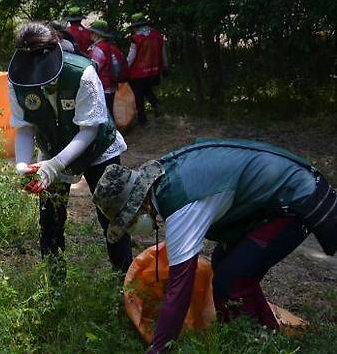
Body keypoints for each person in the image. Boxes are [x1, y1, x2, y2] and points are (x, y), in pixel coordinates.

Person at [92, 138, 337, 353]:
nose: (133, 227)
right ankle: (262, 328)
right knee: (223, 263)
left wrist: (158, 348)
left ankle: (258, 340)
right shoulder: (164, 179)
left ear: (141, 204)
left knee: (231, 282)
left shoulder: (180, 204)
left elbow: (179, 290)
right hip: (277, 197)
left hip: (295, 201)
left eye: (130, 220)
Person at [8, 22, 131, 277]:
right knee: (50, 222)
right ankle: (54, 286)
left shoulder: (82, 73)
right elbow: (25, 127)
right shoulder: (17, 81)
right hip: (52, 149)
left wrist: (55, 165)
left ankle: (125, 283)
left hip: (98, 149)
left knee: (112, 219)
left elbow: (89, 130)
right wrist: (23, 166)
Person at [126, 13, 168, 125]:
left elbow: (131, 57)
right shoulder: (158, 35)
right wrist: (165, 66)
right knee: (148, 90)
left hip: (138, 72)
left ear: (135, 26)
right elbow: (163, 53)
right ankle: (156, 105)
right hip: (154, 70)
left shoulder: (136, 39)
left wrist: (124, 68)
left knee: (139, 95)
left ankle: (142, 119)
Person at [86, 20, 117, 118]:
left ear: (97, 34)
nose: (90, 34)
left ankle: (109, 132)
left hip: (102, 86)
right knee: (109, 111)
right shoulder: (109, 46)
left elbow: (93, 69)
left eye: (92, 32)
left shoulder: (99, 49)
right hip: (110, 85)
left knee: (104, 114)